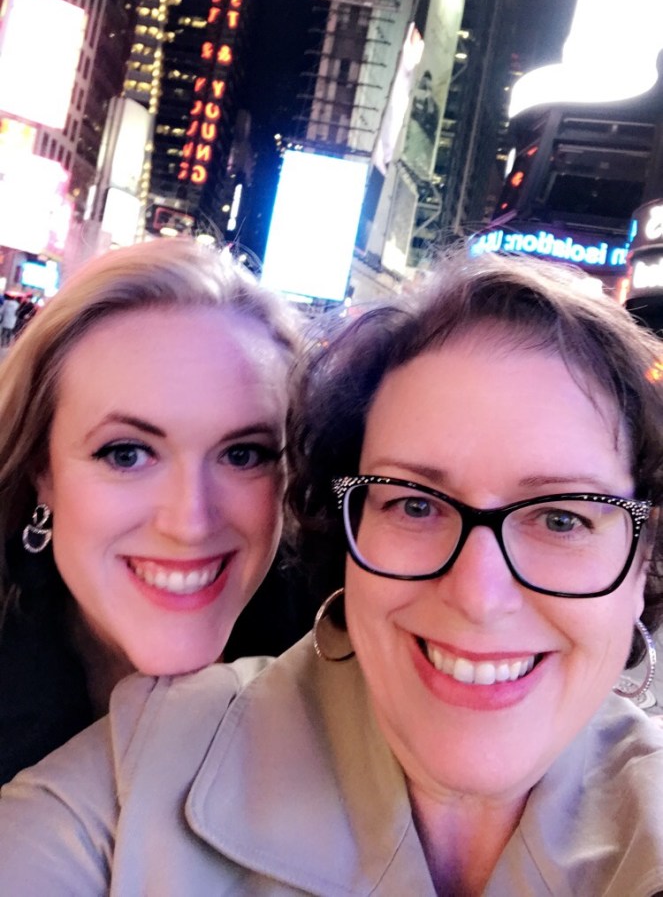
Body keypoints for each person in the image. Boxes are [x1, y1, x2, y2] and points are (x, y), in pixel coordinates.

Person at [2, 252, 663, 896]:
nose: (478, 595)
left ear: (644, 559)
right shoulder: (122, 781)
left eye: (561, 518)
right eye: (415, 504)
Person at [0, 236, 300, 785]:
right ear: (42, 473)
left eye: (242, 454)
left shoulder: (354, 686)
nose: (190, 523)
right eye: (127, 454)